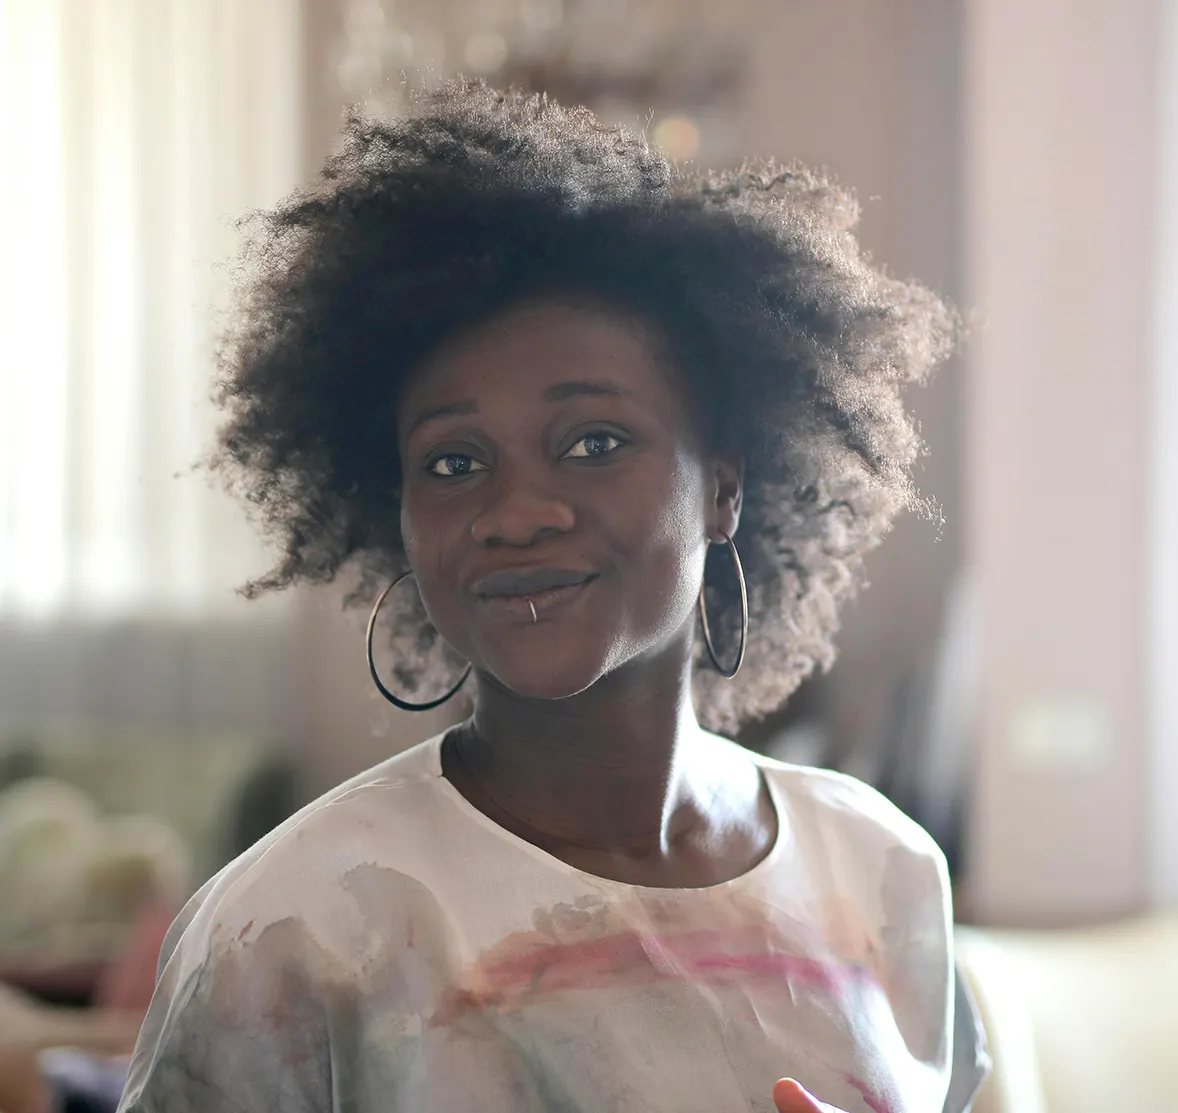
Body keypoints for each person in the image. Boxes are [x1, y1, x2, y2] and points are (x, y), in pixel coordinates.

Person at [117, 82, 987, 1113]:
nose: (515, 513)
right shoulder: (297, 929)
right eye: (452, 463)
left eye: (593, 443)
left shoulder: (880, 871)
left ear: (721, 485)